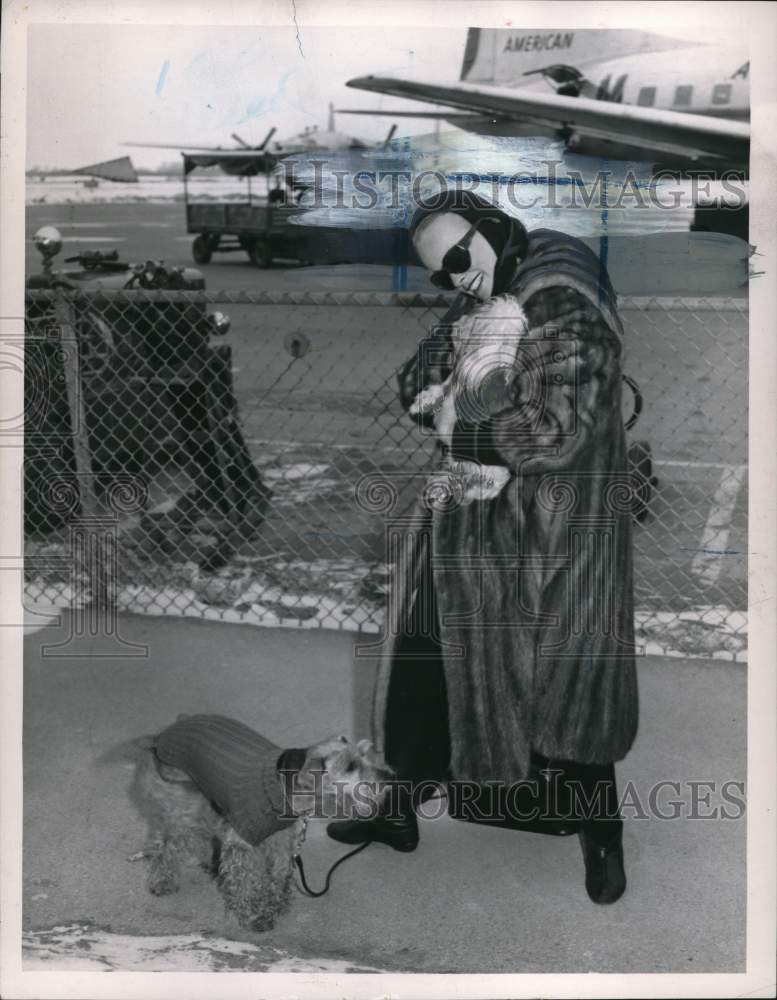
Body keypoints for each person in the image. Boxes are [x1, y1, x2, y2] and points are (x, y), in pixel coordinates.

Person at [328, 191, 639, 905]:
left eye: (459, 259)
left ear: (493, 228)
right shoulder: (488, 290)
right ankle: (396, 810)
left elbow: (554, 430)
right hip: (469, 520)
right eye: (441, 274)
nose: (455, 279)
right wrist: (456, 360)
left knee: (568, 692)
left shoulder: (562, 295)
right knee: (419, 666)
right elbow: (413, 384)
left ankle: (602, 837)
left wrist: (461, 424)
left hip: (555, 534)